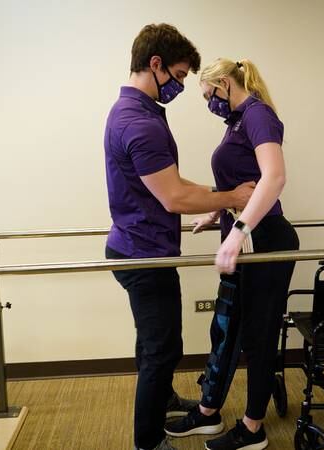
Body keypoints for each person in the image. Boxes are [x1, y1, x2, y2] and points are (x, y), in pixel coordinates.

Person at [104, 26, 256, 450]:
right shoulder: (139, 122)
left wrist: (215, 198)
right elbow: (172, 197)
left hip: (136, 245)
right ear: (155, 64)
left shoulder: (135, 111)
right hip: (143, 256)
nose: (182, 84)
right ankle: (149, 442)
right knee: (161, 349)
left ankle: (163, 398)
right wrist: (231, 196)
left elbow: (170, 182)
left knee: (153, 342)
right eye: (180, 73)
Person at [164, 58, 299, 450]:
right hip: (243, 242)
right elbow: (242, 182)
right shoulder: (236, 121)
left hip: (267, 241)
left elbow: (274, 178)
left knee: (258, 336)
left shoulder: (258, 115)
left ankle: (253, 429)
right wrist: (217, 213)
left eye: (209, 95)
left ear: (224, 83)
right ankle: (209, 412)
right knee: (225, 329)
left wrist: (239, 230)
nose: (209, 104)